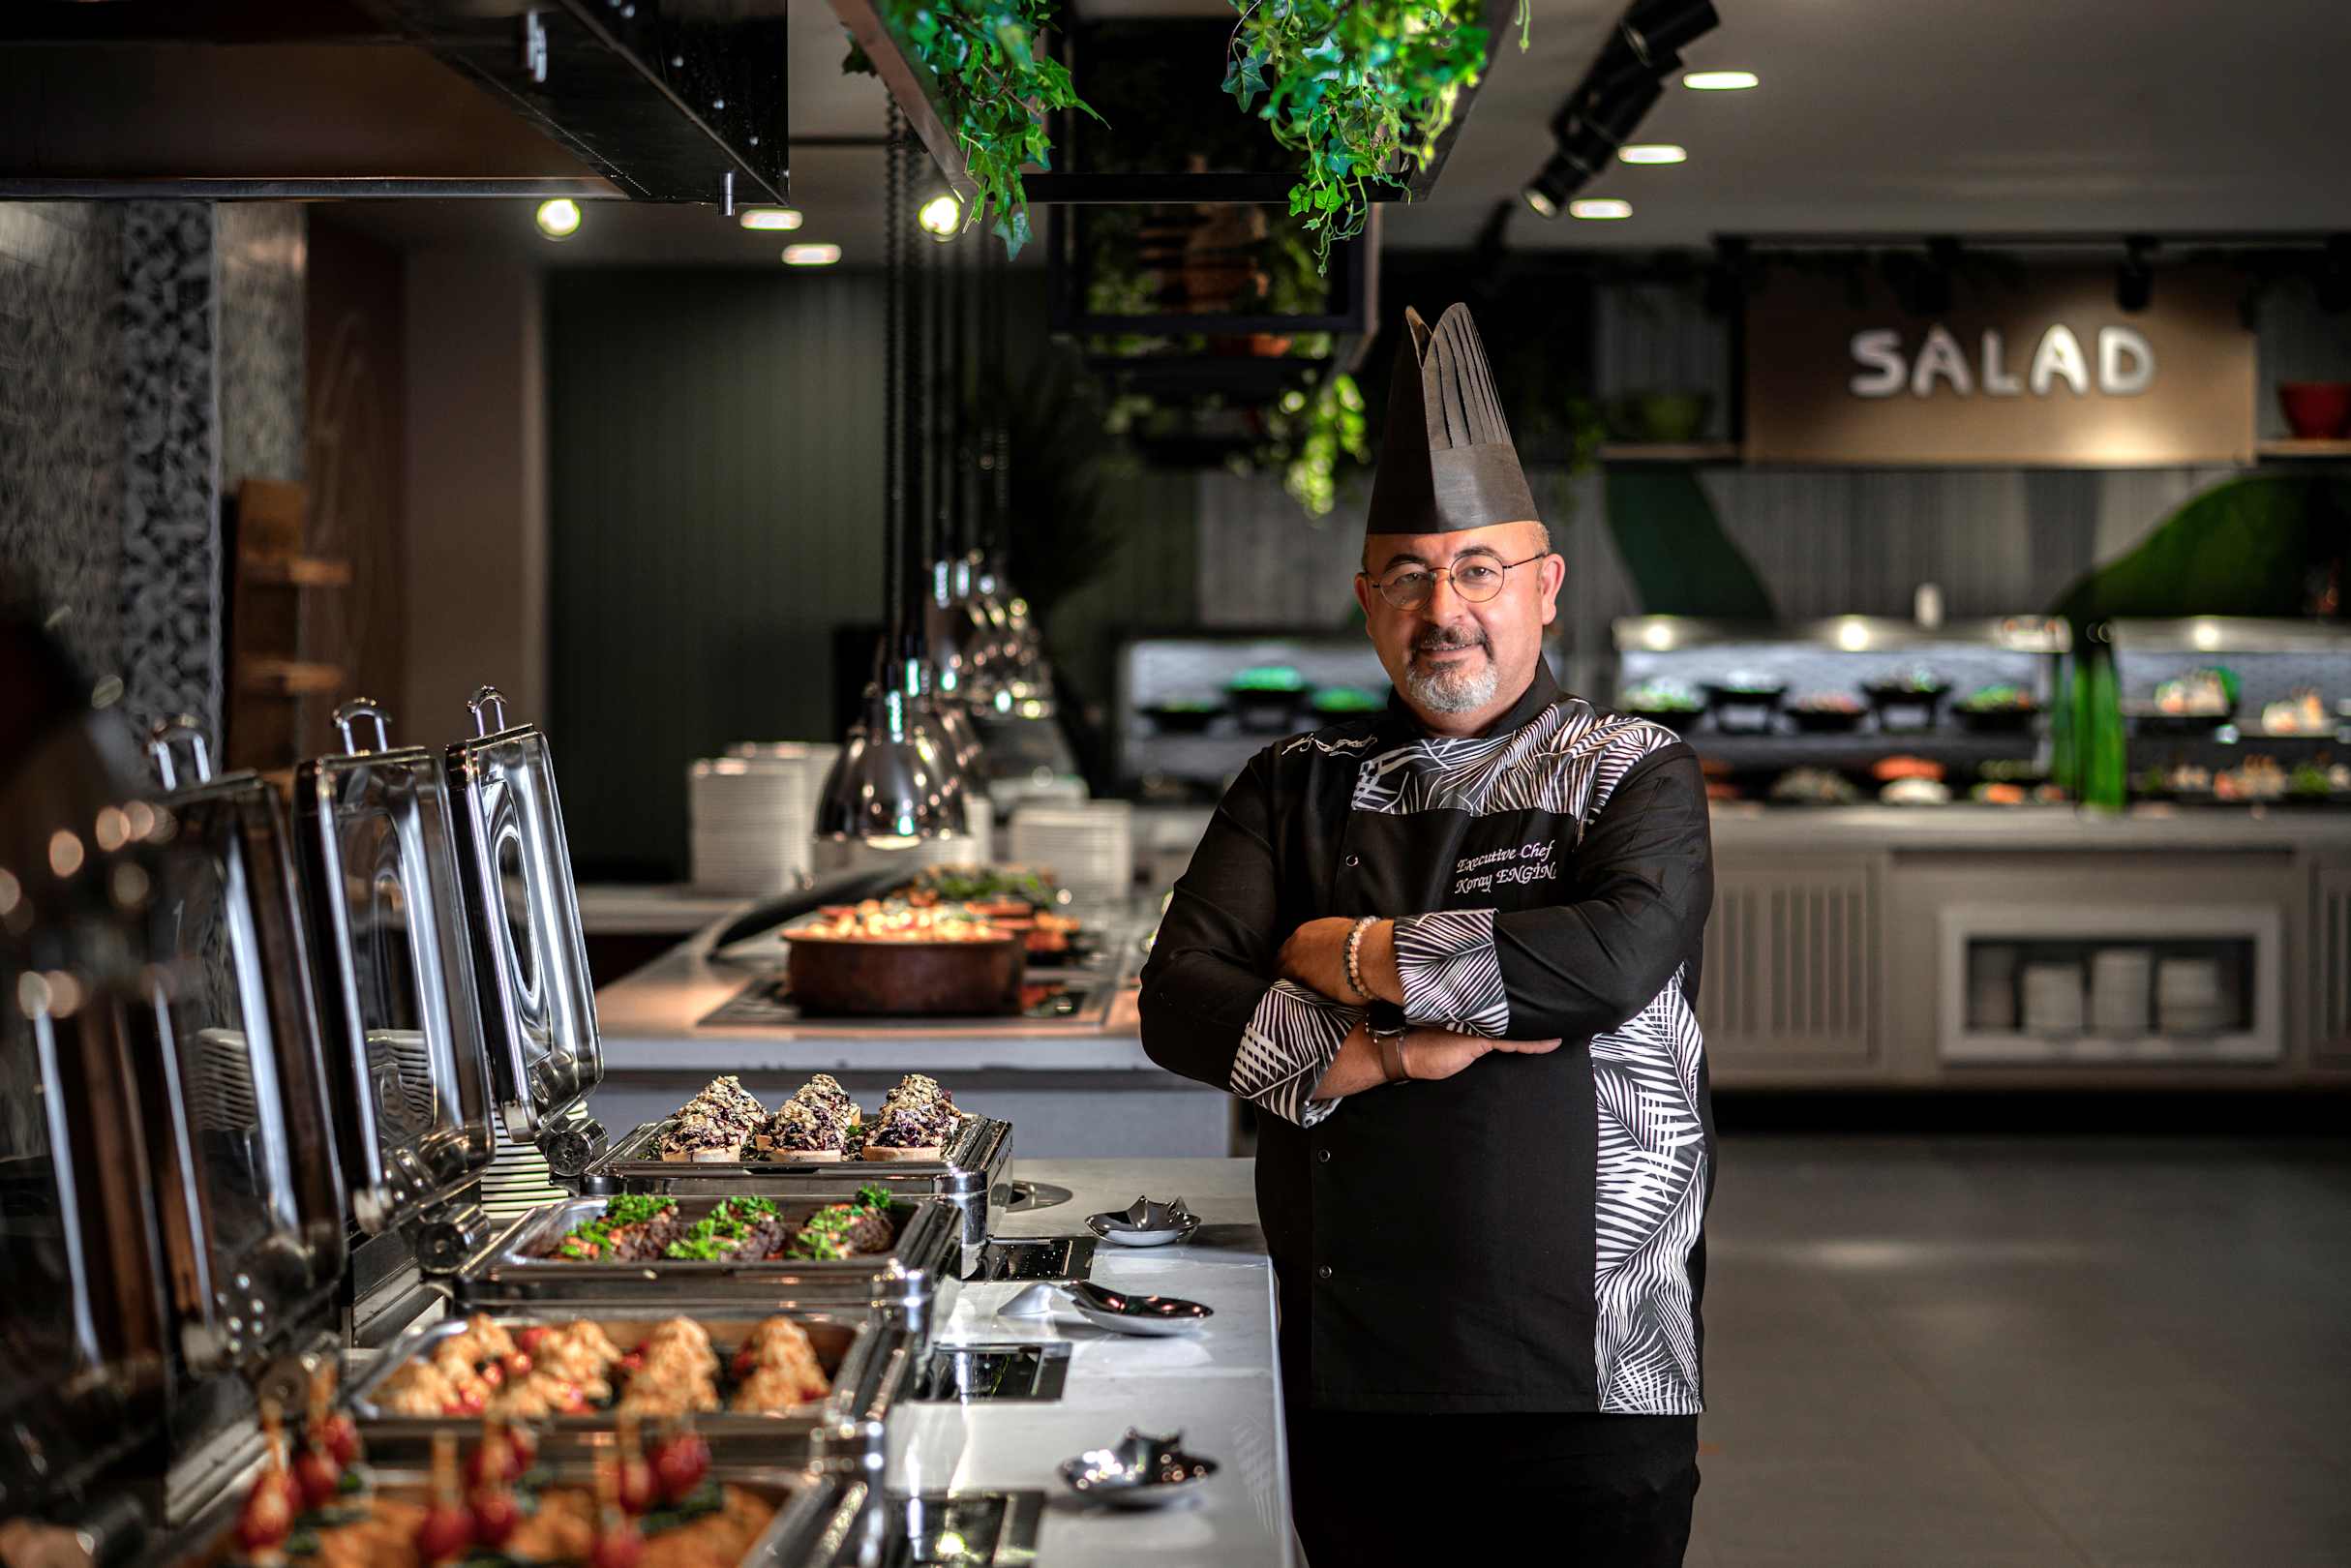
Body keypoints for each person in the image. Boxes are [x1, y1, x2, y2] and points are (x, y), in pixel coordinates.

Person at [1137, 303, 1717, 1567]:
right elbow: (1177, 998)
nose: (1442, 607)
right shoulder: (1292, 784)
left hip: (1594, 1368)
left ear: (1545, 586)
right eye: (1407, 574)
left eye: (1478, 569)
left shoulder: (1632, 769)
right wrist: (1380, 1051)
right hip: (1352, 1371)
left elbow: (1611, 960)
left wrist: (1343, 951)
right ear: (1367, 601)